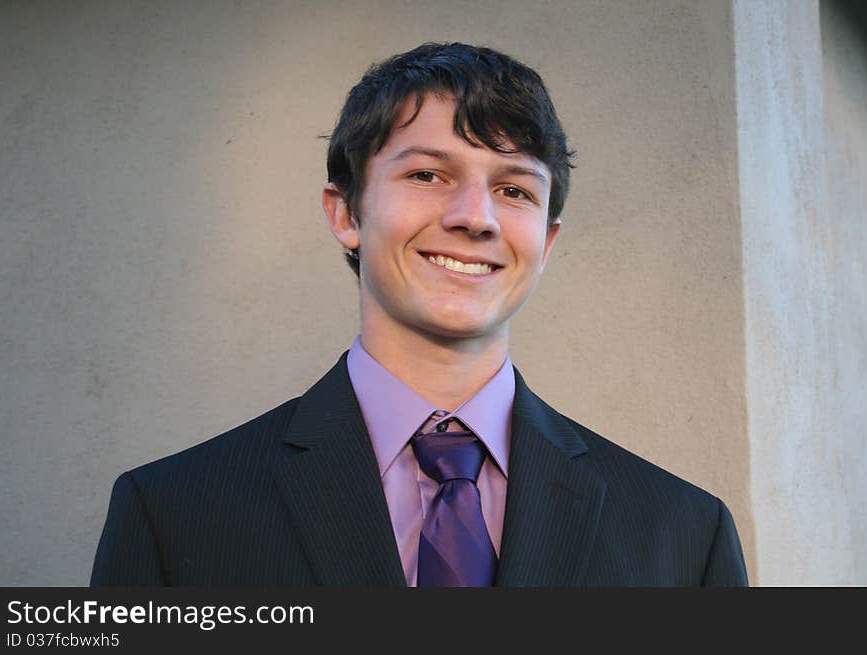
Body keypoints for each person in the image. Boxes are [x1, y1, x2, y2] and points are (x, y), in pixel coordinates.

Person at [91, 42, 748, 586]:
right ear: (346, 213)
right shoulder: (173, 514)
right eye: (428, 175)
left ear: (546, 243)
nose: (474, 216)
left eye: (514, 188)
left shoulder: (685, 537)